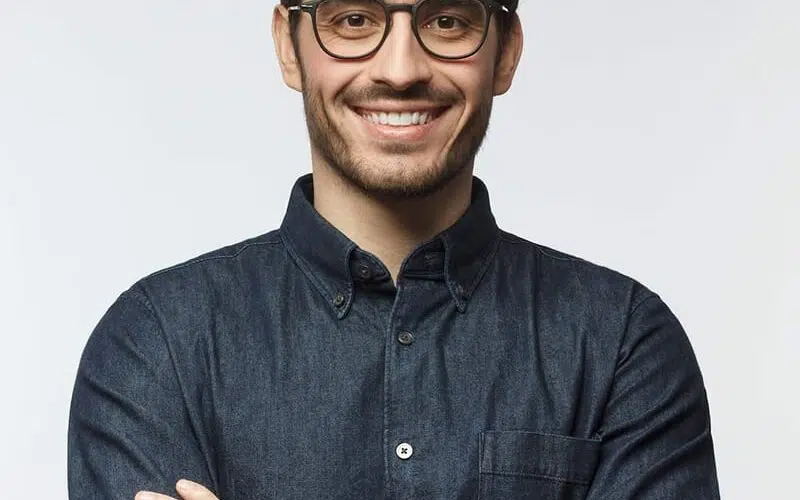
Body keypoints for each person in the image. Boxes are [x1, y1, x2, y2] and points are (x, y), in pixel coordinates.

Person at [67, 0, 721, 498]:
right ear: (289, 46)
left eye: (448, 20)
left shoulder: (622, 342)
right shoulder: (155, 342)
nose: (401, 70)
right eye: (354, 19)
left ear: (506, 52)